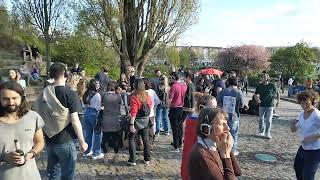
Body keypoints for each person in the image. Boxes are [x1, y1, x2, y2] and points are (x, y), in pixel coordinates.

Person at [32, 63, 88, 180]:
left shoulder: (43, 94)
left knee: (54, 175)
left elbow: (36, 113)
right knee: (68, 176)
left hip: (50, 141)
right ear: (65, 75)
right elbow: (75, 120)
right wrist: (82, 141)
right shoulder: (70, 94)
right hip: (65, 141)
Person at [0, 81, 45, 180]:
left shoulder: (33, 117)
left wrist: (30, 154)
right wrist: (3, 157)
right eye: (6, 99)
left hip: (31, 176)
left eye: (14, 98)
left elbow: (40, 142)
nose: (11, 102)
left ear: (22, 98)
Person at [187, 108, 241, 180]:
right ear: (206, 128)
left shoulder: (216, 145)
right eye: (222, 124)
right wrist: (225, 156)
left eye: (227, 124)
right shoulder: (202, 155)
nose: (228, 128)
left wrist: (227, 149)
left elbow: (237, 171)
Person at [181, 93, 217, 180]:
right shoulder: (200, 122)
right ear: (202, 107)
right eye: (212, 107)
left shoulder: (192, 117)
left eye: (215, 107)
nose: (215, 110)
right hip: (196, 157)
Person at [291, 91, 320, 180]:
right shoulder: (301, 113)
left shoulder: (317, 115)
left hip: (315, 151)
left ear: (312, 102)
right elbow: (293, 130)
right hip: (303, 148)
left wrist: (311, 137)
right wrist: (292, 124)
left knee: (307, 176)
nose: (303, 106)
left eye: (306, 103)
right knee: (298, 168)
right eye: (301, 103)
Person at [128, 79, 152, 166]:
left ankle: (133, 159)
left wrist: (131, 124)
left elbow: (133, 112)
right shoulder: (147, 95)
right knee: (146, 140)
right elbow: (150, 105)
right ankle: (147, 158)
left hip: (136, 121)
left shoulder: (134, 97)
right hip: (145, 120)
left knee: (132, 139)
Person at [217, 77, 244, 156]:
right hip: (234, 116)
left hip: (223, 115)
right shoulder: (238, 93)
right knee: (234, 134)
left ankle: (221, 147)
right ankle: (233, 150)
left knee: (222, 132)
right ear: (236, 83)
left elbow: (218, 103)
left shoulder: (222, 92)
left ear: (228, 82)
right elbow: (241, 105)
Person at [99, 81, 123, 163]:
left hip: (106, 119)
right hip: (115, 120)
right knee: (116, 139)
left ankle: (105, 157)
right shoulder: (118, 96)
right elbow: (121, 106)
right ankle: (116, 157)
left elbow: (101, 105)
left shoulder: (104, 96)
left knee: (105, 139)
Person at [254, 73, 280, 139]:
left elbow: (277, 93)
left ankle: (267, 133)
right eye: (262, 77)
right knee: (261, 119)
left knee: (268, 120)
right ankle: (261, 131)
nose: (263, 79)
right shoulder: (259, 86)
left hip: (270, 105)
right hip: (261, 105)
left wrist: (278, 101)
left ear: (267, 78)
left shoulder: (272, 85)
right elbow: (256, 94)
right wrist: (257, 98)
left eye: (264, 77)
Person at [82, 79, 103, 159]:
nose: (98, 85)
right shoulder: (97, 95)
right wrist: (102, 107)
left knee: (88, 134)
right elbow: (98, 107)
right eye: (97, 84)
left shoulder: (86, 93)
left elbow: (83, 105)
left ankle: (87, 151)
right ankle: (96, 152)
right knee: (97, 134)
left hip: (86, 112)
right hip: (94, 114)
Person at [169, 72, 187, 152]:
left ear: (173, 78)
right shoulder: (183, 85)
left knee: (175, 128)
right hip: (181, 108)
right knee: (179, 127)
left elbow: (170, 99)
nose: (170, 79)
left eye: (171, 78)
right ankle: (180, 144)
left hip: (174, 108)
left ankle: (176, 146)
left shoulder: (173, 86)